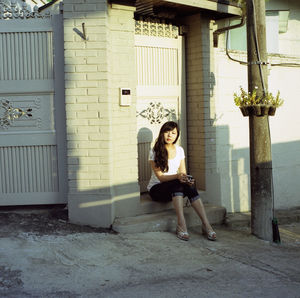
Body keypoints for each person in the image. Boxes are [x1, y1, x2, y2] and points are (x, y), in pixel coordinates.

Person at [147, 121, 216, 241]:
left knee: (188, 186)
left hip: (174, 186)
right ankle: (181, 224)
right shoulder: (154, 151)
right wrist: (178, 177)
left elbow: (183, 172)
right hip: (157, 189)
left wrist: (186, 179)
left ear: (177, 135)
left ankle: (206, 224)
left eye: (173, 133)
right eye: (167, 132)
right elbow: (161, 178)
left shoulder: (179, 150)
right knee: (177, 184)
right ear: (162, 133)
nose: (169, 135)